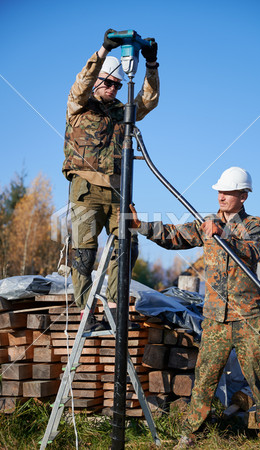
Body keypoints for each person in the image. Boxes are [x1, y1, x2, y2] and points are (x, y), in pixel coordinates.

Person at [129, 167, 260, 449]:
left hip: (247, 316)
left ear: (243, 195)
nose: (221, 196)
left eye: (227, 192)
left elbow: (250, 252)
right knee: (205, 377)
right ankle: (190, 434)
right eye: (219, 192)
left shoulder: (254, 225)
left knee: (259, 375)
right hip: (215, 318)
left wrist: (223, 233)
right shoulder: (207, 223)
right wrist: (142, 226)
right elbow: (174, 236)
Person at [62, 29, 159, 331]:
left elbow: (149, 100)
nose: (114, 88)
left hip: (118, 189)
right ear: (98, 81)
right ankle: (86, 309)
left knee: (126, 245)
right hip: (86, 188)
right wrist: (103, 50)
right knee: (84, 252)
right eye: (109, 83)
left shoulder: (122, 112)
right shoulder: (79, 104)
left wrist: (152, 66)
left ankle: (115, 307)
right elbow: (82, 82)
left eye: (118, 84)